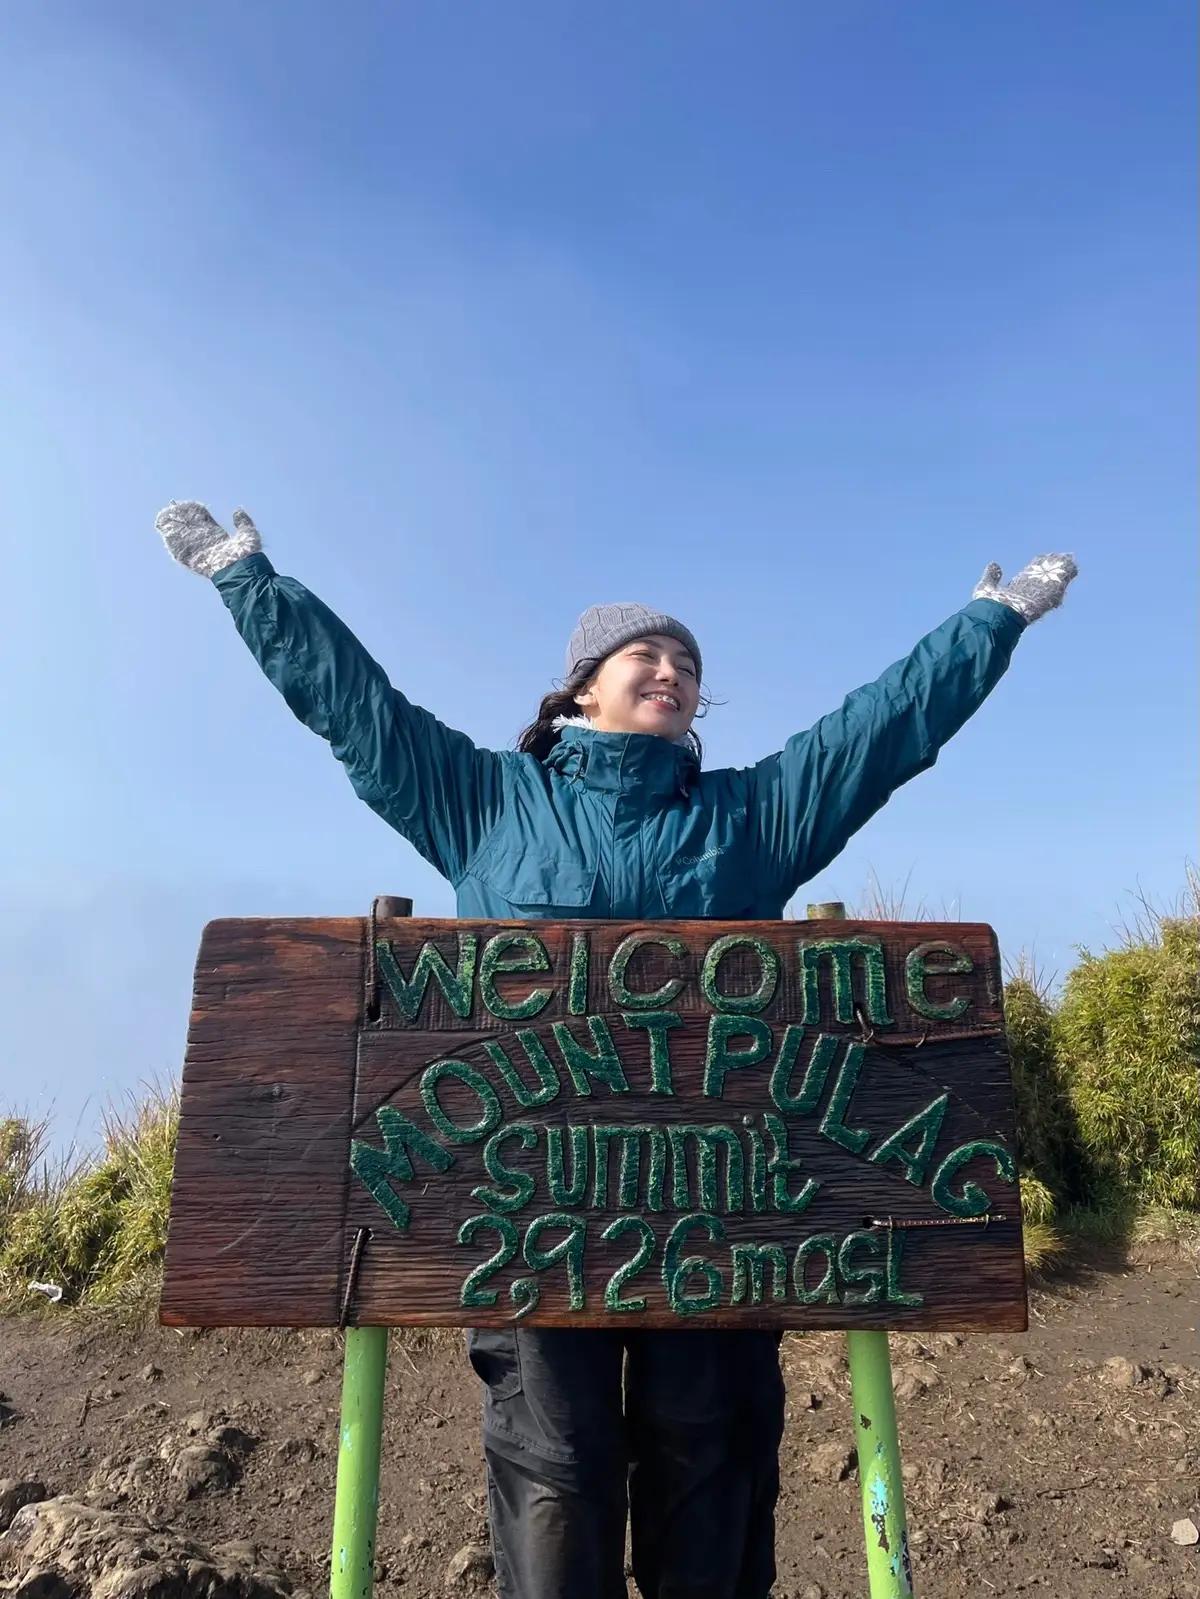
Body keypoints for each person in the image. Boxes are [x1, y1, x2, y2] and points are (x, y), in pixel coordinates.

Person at [155, 500, 1076, 1599]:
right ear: (582, 685)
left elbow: (877, 734)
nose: (674, 671)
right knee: (556, 1458)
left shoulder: (752, 819)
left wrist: (988, 623)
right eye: (648, 652)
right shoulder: (481, 801)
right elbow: (357, 709)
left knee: (711, 1444)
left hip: (730, 1201)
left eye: (688, 662)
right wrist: (248, 580)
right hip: (526, 1203)